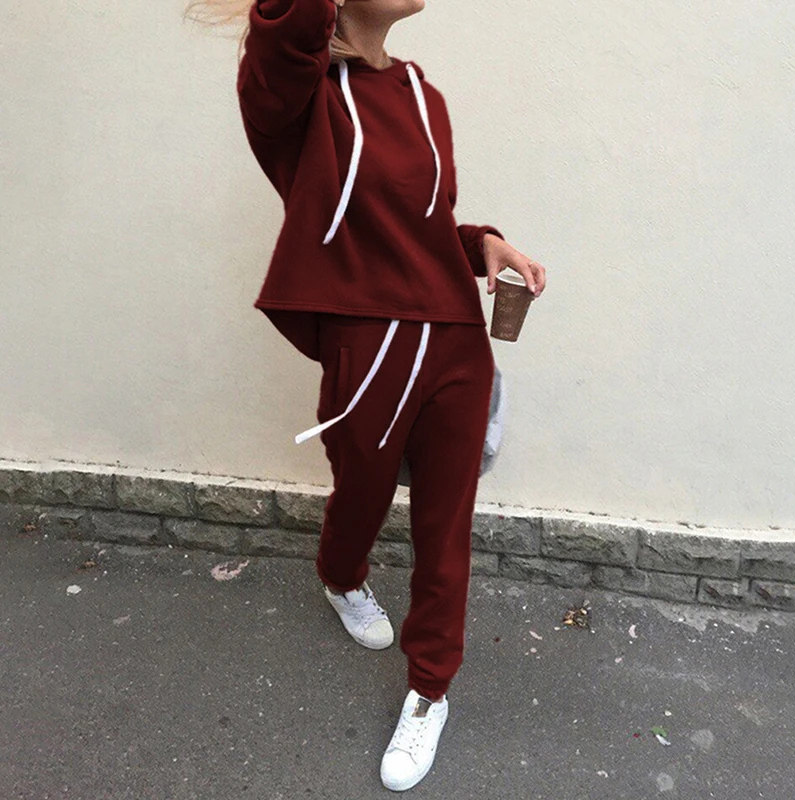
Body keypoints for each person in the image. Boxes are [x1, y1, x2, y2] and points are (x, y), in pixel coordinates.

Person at [188, 0, 546, 791]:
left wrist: (481, 243)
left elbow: (421, 223)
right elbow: (285, 35)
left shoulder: (424, 95)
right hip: (371, 346)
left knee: (447, 527)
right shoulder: (296, 96)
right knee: (363, 493)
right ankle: (341, 574)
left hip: (455, 340)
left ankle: (430, 692)